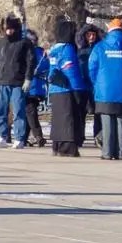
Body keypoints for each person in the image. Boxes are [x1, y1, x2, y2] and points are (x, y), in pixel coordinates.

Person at [86, 20, 122, 160]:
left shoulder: (99, 47)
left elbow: (92, 68)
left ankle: (107, 152)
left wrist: (97, 84)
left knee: (107, 121)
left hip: (104, 91)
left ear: (109, 30)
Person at [0, 16, 35, 148]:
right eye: (7, 29)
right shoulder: (0, 43)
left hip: (18, 83)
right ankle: (1, 137)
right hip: (2, 82)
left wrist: (28, 78)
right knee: (0, 111)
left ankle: (19, 138)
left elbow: (30, 62)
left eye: (11, 29)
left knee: (19, 110)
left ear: (16, 29)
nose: (9, 32)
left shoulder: (25, 43)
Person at [44, 18, 85, 157]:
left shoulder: (55, 49)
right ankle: (67, 148)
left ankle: (57, 145)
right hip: (67, 88)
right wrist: (78, 89)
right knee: (68, 119)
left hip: (55, 89)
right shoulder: (67, 49)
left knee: (58, 119)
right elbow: (70, 70)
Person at [22, 27, 48, 147]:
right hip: (29, 86)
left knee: (30, 112)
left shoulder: (39, 52)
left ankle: (38, 136)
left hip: (33, 87)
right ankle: (24, 137)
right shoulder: (25, 51)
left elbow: (45, 66)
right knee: (29, 113)